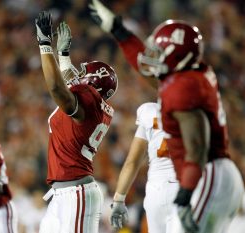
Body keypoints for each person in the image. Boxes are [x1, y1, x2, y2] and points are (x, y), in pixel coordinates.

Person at [89, 0, 245, 232]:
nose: (154, 56)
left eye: (160, 51)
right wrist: (120, 32)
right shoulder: (196, 72)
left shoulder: (181, 89)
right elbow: (148, 69)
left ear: (173, 55)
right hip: (216, 176)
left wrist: (185, 195)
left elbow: (196, 145)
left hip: (206, 175)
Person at [35, 11, 118, 233]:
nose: (78, 75)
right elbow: (71, 83)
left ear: (92, 83)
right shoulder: (93, 103)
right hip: (66, 193)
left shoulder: (88, 101)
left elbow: (57, 87)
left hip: (76, 194)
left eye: (83, 73)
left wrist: (45, 44)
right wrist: (63, 54)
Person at [111, 102, 179, 233]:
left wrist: (118, 200)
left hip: (155, 191)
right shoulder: (195, 111)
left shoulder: (149, 110)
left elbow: (132, 162)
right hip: (181, 187)